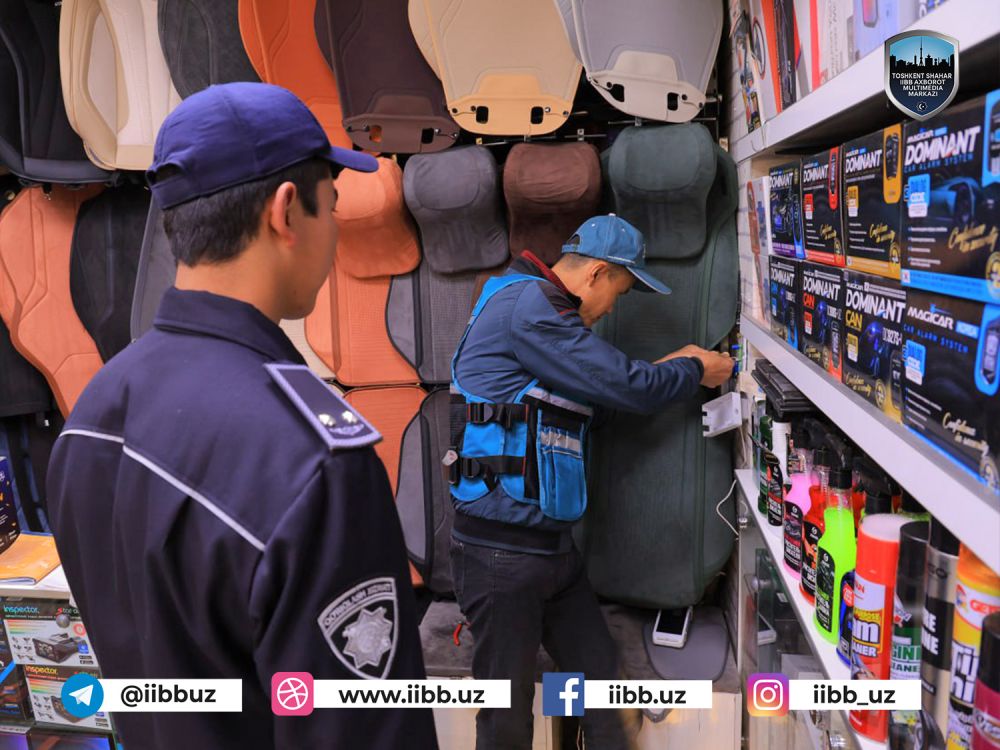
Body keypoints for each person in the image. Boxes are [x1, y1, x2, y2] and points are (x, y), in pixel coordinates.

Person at [46, 83, 438, 750]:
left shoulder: (96, 408)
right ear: (286, 211)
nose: (334, 233)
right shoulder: (313, 463)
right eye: (331, 206)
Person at [446, 215, 734, 749]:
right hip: (501, 556)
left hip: (551, 553)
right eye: (618, 293)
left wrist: (667, 368)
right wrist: (695, 370)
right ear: (597, 273)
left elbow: (597, 407)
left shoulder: (545, 318)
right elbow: (627, 386)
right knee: (507, 719)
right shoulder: (528, 306)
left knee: (601, 691)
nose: (611, 310)